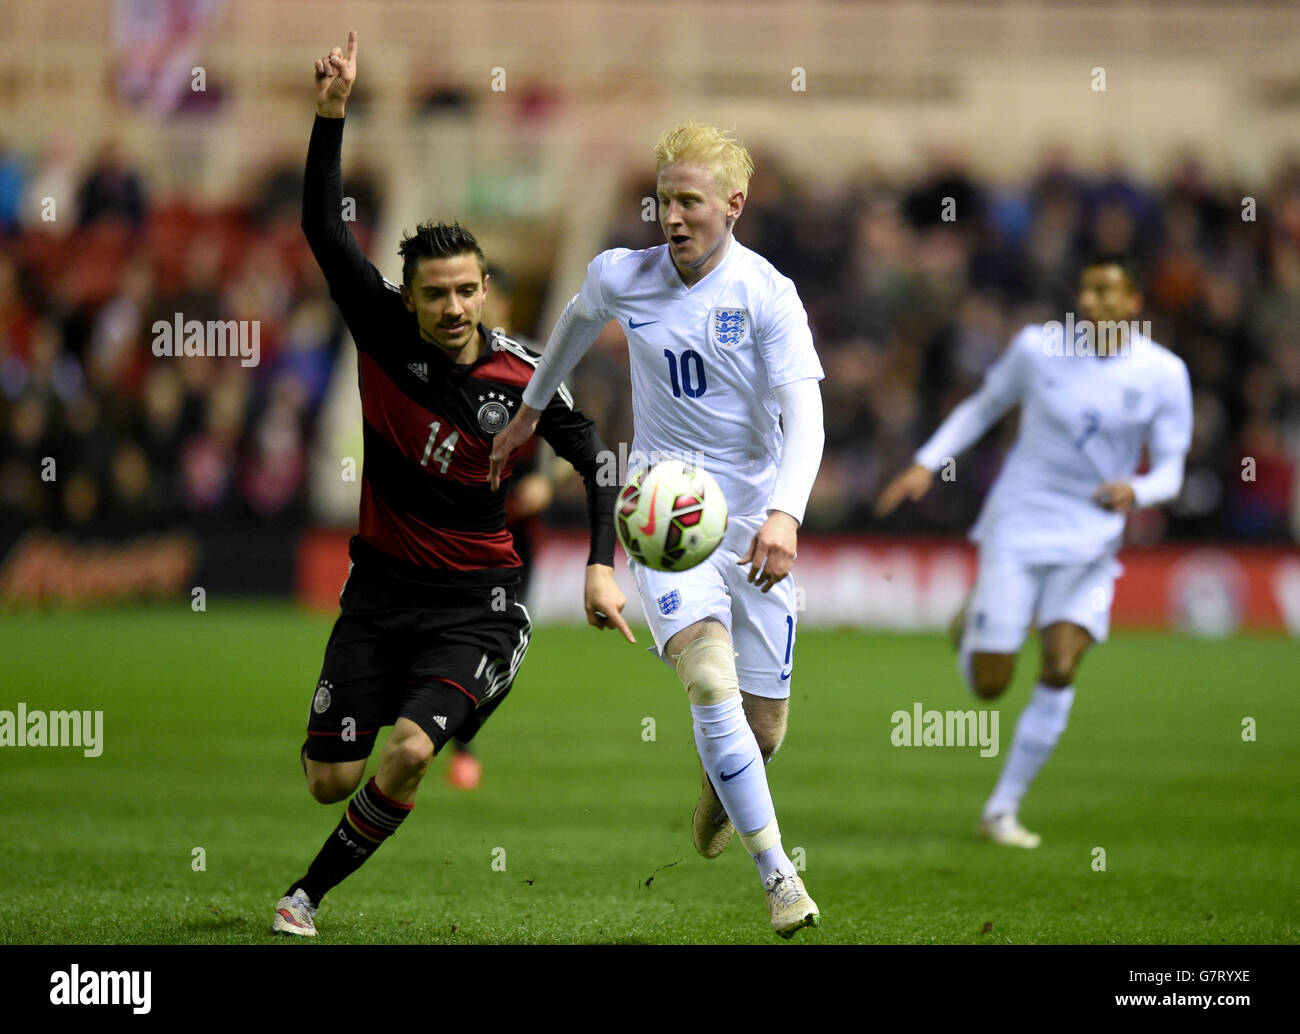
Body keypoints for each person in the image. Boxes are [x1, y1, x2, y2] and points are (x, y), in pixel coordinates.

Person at [273, 31, 631, 937]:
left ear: (484, 290)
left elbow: (593, 451)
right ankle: (387, 760)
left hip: (479, 602)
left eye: (469, 291)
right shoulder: (382, 333)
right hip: (380, 591)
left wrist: (600, 563)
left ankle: (304, 896)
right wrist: (330, 114)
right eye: (438, 294)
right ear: (409, 296)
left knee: (407, 751)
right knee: (329, 781)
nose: (457, 307)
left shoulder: (523, 372)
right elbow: (322, 226)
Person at [490, 121, 826, 938]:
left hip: (751, 519)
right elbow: (570, 325)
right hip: (664, 512)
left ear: (733, 205)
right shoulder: (621, 275)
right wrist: (531, 409)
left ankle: (723, 787)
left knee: (764, 729)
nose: (671, 216)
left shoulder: (767, 294)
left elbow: (807, 415)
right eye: (663, 199)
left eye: (689, 201)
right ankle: (780, 876)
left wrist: (785, 514)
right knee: (709, 684)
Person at [875, 254, 1193, 848]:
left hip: (1092, 538)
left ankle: (1002, 809)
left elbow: (1173, 468)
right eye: (1086, 290)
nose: (1092, 302)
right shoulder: (1037, 349)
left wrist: (1139, 489)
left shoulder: (1163, 373)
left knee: (1061, 664)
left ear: (1134, 303)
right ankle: (980, 620)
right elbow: (983, 407)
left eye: (1106, 291)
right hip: (1019, 525)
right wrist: (926, 462)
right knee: (990, 685)